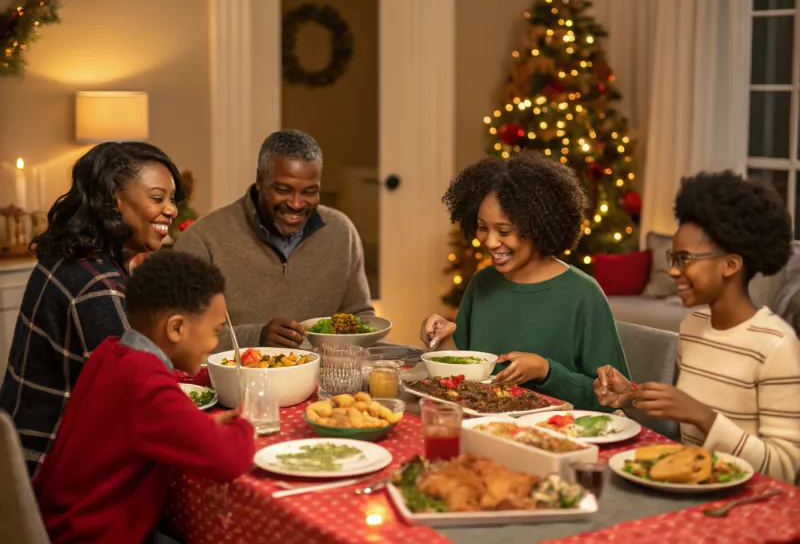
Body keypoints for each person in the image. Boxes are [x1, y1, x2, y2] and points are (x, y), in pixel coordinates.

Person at [33, 251, 255, 544]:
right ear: (176, 328)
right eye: (215, 331)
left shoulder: (111, 353)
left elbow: (139, 428)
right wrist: (245, 424)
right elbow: (229, 461)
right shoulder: (146, 383)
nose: (215, 343)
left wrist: (202, 427)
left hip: (58, 527)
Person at [594, 171, 800, 484]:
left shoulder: (776, 346)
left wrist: (703, 417)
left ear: (730, 265)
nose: (674, 271)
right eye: (672, 258)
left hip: (747, 508)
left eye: (684, 259)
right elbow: (684, 427)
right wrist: (630, 397)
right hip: (688, 490)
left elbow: (785, 469)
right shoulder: (692, 327)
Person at [0, 141, 183, 475]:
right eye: (158, 198)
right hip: (54, 474)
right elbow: (143, 402)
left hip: (19, 461)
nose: (171, 209)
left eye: (172, 199)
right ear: (115, 199)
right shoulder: (96, 287)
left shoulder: (69, 259)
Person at [420, 152, 629, 412]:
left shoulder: (582, 295)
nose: (490, 242)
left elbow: (616, 399)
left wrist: (546, 371)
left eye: (504, 231)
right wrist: (442, 339)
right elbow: (461, 378)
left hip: (555, 437)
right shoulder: (482, 282)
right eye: (482, 227)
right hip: (482, 431)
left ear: (538, 226)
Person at [174, 129, 373, 350]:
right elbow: (182, 334)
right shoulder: (203, 239)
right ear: (260, 180)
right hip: (236, 381)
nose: (296, 204)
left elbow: (360, 316)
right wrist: (255, 338)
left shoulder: (341, 231)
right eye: (283, 189)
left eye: (309, 192)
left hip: (324, 379)